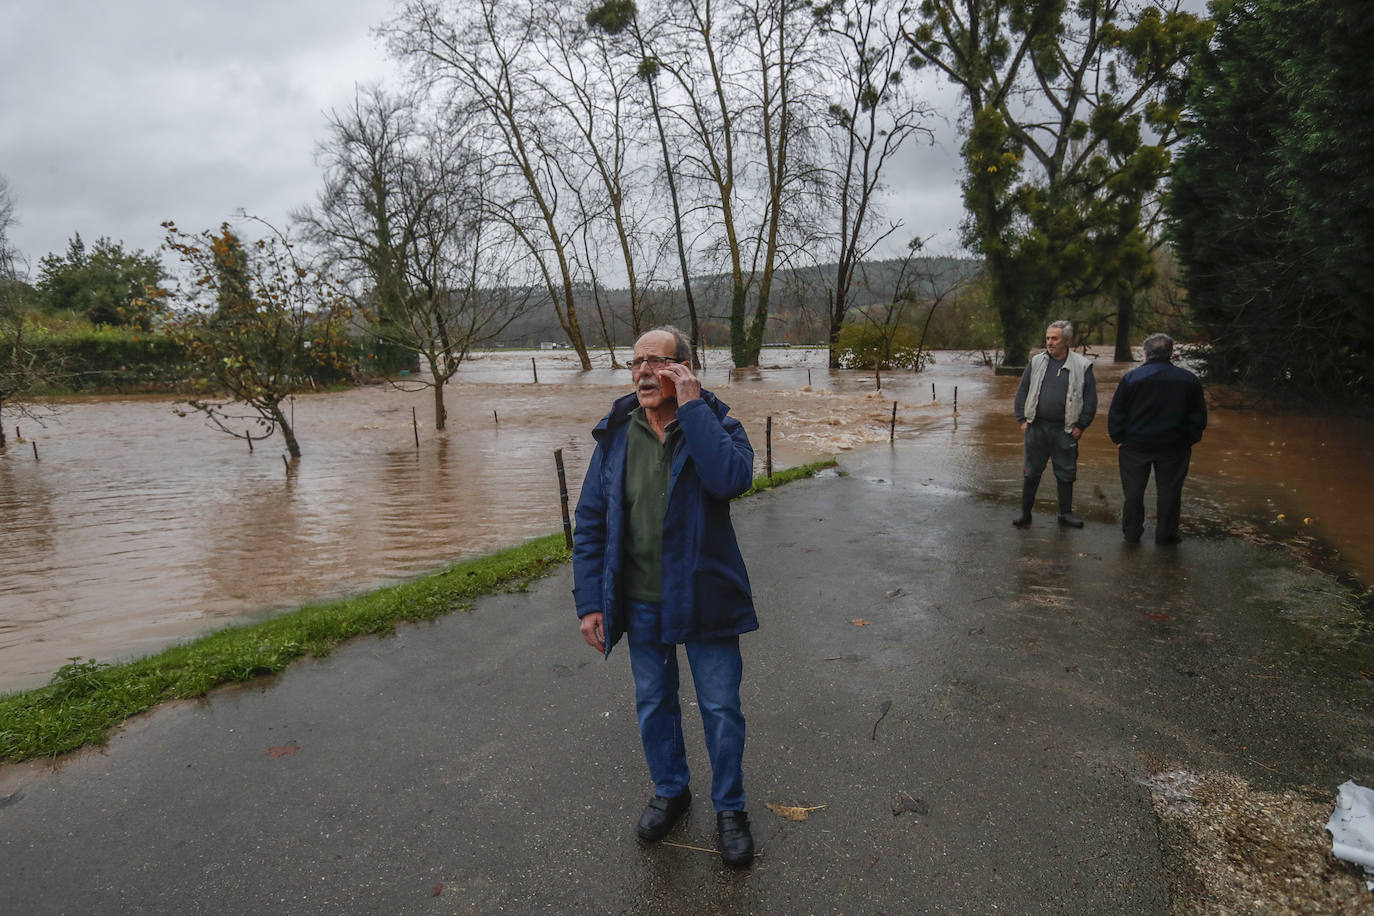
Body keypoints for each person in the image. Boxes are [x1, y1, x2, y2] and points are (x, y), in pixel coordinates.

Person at [572, 326, 758, 868]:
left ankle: (730, 809)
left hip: (706, 598)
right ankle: (672, 790)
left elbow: (730, 479)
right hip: (640, 599)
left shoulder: (718, 423)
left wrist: (693, 407)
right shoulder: (615, 434)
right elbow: (590, 522)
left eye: (658, 362)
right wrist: (590, 602)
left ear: (685, 370)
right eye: (636, 363)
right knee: (654, 703)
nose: (644, 372)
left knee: (721, 709)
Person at [1107, 333, 1207, 545]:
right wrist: (1190, 439)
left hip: (1135, 445)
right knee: (1170, 492)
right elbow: (1198, 415)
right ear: (1170, 353)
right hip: (1174, 446)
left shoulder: (1131, 378)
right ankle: (1166, 534)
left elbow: (1117, 412)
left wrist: (1118, 438)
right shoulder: (1188, 379)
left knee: (1133, 492)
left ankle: (1132, 533)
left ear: (1145, 353)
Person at [1012, 320, 1099, 528]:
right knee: (1031, 471)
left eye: (1055, 338)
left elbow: (1090, 400)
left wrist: (1081, 426)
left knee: (1066, 472)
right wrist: (1022, 420)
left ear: (1067, 340)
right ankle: (1025, 513)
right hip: (1036, 426)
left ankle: (1065, 514)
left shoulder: (1082, 365)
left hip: (1065, 429)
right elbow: (1022, 391)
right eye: (1048, 338)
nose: (1049, 342)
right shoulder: (1036, 362)